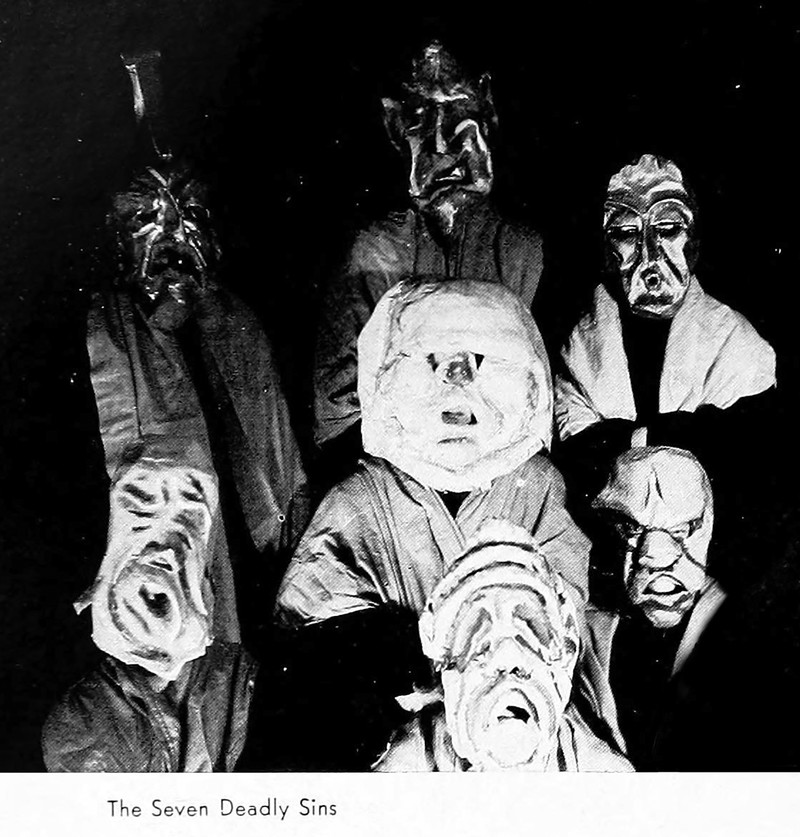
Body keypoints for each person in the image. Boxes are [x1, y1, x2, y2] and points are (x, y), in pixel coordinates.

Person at [252, 281, 590, 770]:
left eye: (482, 360)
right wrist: (406, 656)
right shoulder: (358, 500)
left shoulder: (537, 487)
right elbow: (308, 638)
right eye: (431, 361)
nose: (457, 382)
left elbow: (567, 616)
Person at [88, 52, 309, 643]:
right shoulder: (102, 337)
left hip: (261, 570)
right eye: (145, 217)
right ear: (116, 236)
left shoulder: (239, 324)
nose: (173, 239)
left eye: (188, 215)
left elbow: (280, 466)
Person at [313, 40, 544, 471]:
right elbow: (337, 413)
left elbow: (538, 400)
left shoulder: (521, 249)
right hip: (396, 473)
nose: (441, 145)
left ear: (489, 110)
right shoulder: (375, 252)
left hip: (500, 467)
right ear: (393, 124)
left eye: (460, 111)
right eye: (419, 118)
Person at [554, 154, 776, 508]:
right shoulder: (581, 344)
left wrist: (632, 438)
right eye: (626, 233)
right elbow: (577, 451)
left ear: (695, 239)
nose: (650, 257)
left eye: (669, 229)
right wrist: (676, 434)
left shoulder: (735, 342)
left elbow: (742, 450)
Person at [42, 444, 258, 772]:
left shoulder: (241, 681)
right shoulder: (83, 726)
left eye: (188, 520)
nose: (165, 552)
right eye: (141, 511)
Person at [373, 520, 632, 772]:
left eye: (530, 634)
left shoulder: (601, 773)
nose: (507, 657)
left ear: (564, 662)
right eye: (478, 642)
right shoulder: (408, 768)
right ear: (446, 675)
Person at [586, 446, 724, 769]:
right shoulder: (588, 631)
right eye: (632, 529)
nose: (654, 554)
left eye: (679, 530)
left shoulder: (746, 624)